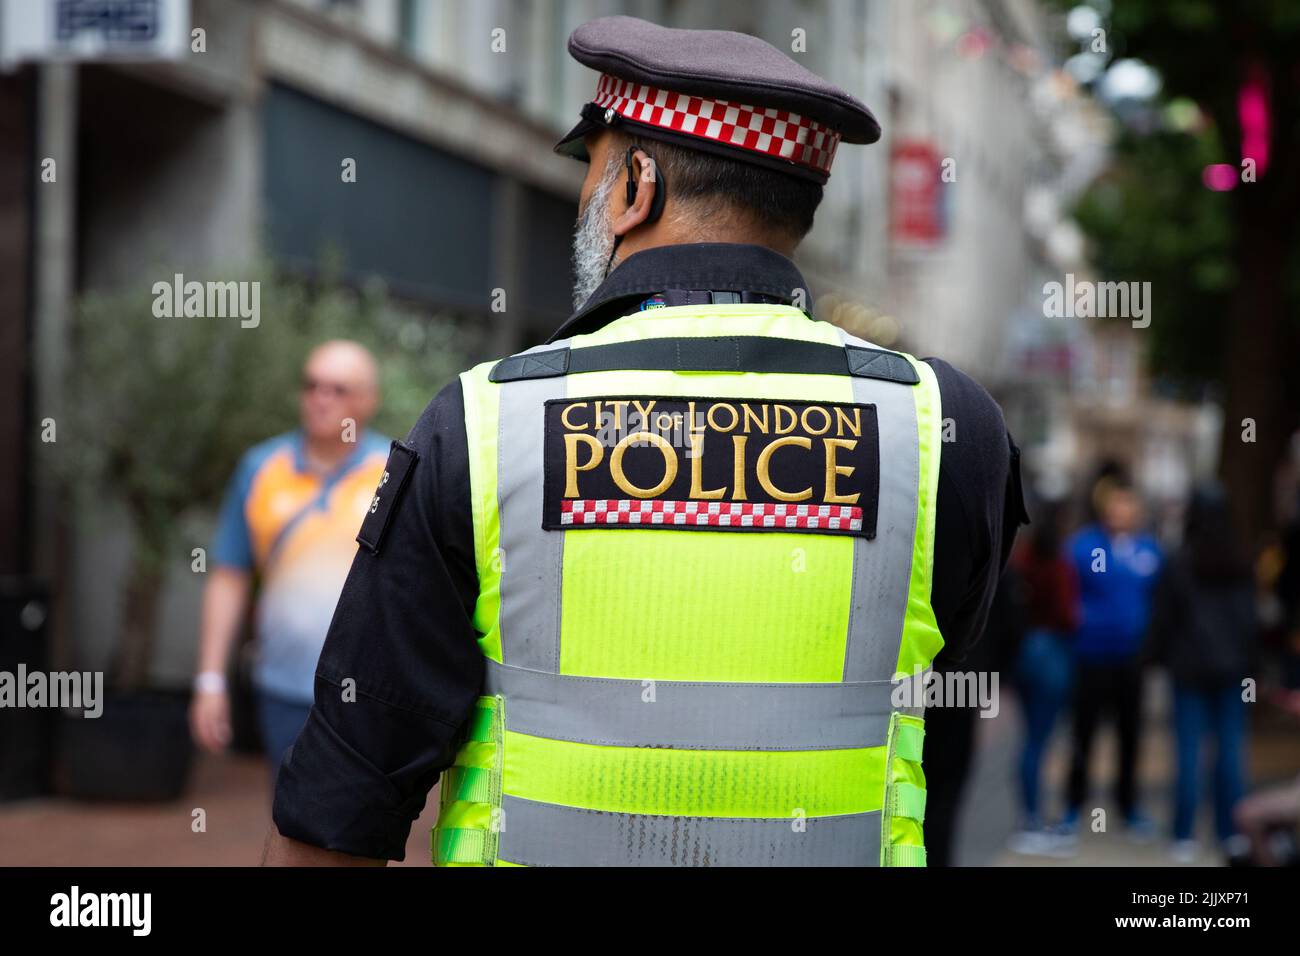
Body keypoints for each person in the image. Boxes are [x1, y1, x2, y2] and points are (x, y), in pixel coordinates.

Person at [264, 15, 1026, 867]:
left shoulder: (483, 423)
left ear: (636, 186)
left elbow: (342, 811)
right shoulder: (945, 430)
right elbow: (937, 659)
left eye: (592, 168)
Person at [189, 340, 389, 783]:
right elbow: (229, 576)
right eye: (312, 385)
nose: (321, 398)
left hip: (367, 693)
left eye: (339, 389)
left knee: (356, 830)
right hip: (279, 687)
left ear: (368, 400)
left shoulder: (393, 472)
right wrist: (209, 681)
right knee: (287, 818)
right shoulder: (261, 468)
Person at [1148, 485, 1254, 862]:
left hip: (1189, 669)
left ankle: (1183, 833)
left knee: (1189, 752)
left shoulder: (1180, 561)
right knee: (1230, 752)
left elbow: (1163, 618)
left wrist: (1155, 658)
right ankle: (1232, 833)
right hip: (1231, 671)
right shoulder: (1241, 561)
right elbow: (1249, 620)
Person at [1060, 471, 1163, 844]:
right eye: (1116, 503)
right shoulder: (1082, 546)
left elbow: (1158, 599)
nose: (1122, 510)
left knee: (1130, 736)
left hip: (1132, 661)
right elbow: (1068, 592)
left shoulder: (1150, 550)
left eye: (1128, 504)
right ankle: (1073, 806)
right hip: (1090, 657)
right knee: (1084, 735)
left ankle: (1128, 806)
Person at [1007, 499, 1078, 855]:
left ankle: (1028, 815)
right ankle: (1037, 819)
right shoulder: (1061, 565)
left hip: (1024, 655)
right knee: (1043, 740)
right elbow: (1067, 614)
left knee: (1029, 741)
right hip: (1052, 655)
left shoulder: (1021, 559)